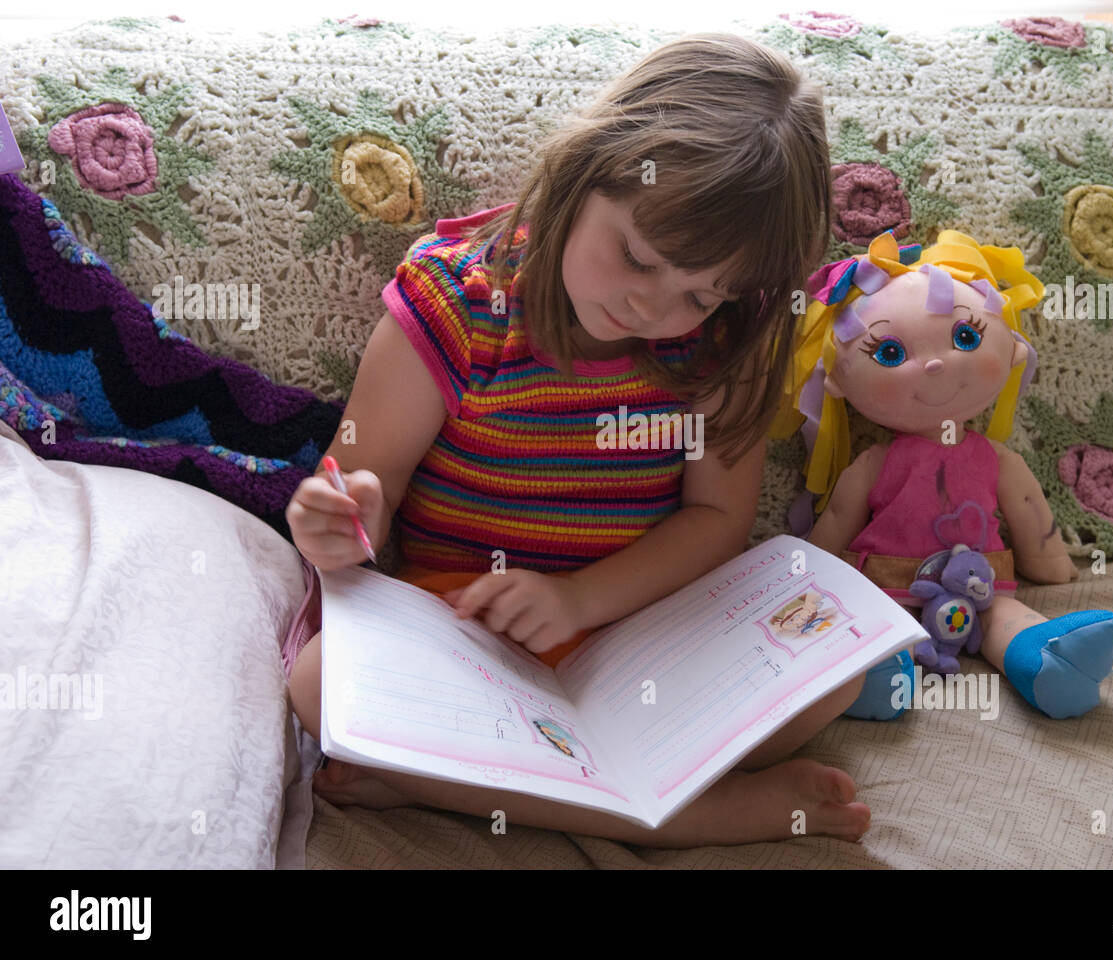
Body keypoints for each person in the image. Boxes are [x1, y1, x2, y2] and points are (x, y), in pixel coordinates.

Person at [284, 33, 871, 848]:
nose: (653, 309)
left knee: (833, 661)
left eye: (701, 293)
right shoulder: (459, 305)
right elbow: (360, 489)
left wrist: (577, 602)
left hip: (636, 631)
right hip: (466, 630)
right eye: (635, 256)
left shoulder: (719, 348)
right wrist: (342, 517)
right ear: (581, 170)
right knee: (318, 681)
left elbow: (717, 522)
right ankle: (684, 815)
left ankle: (449, 781)